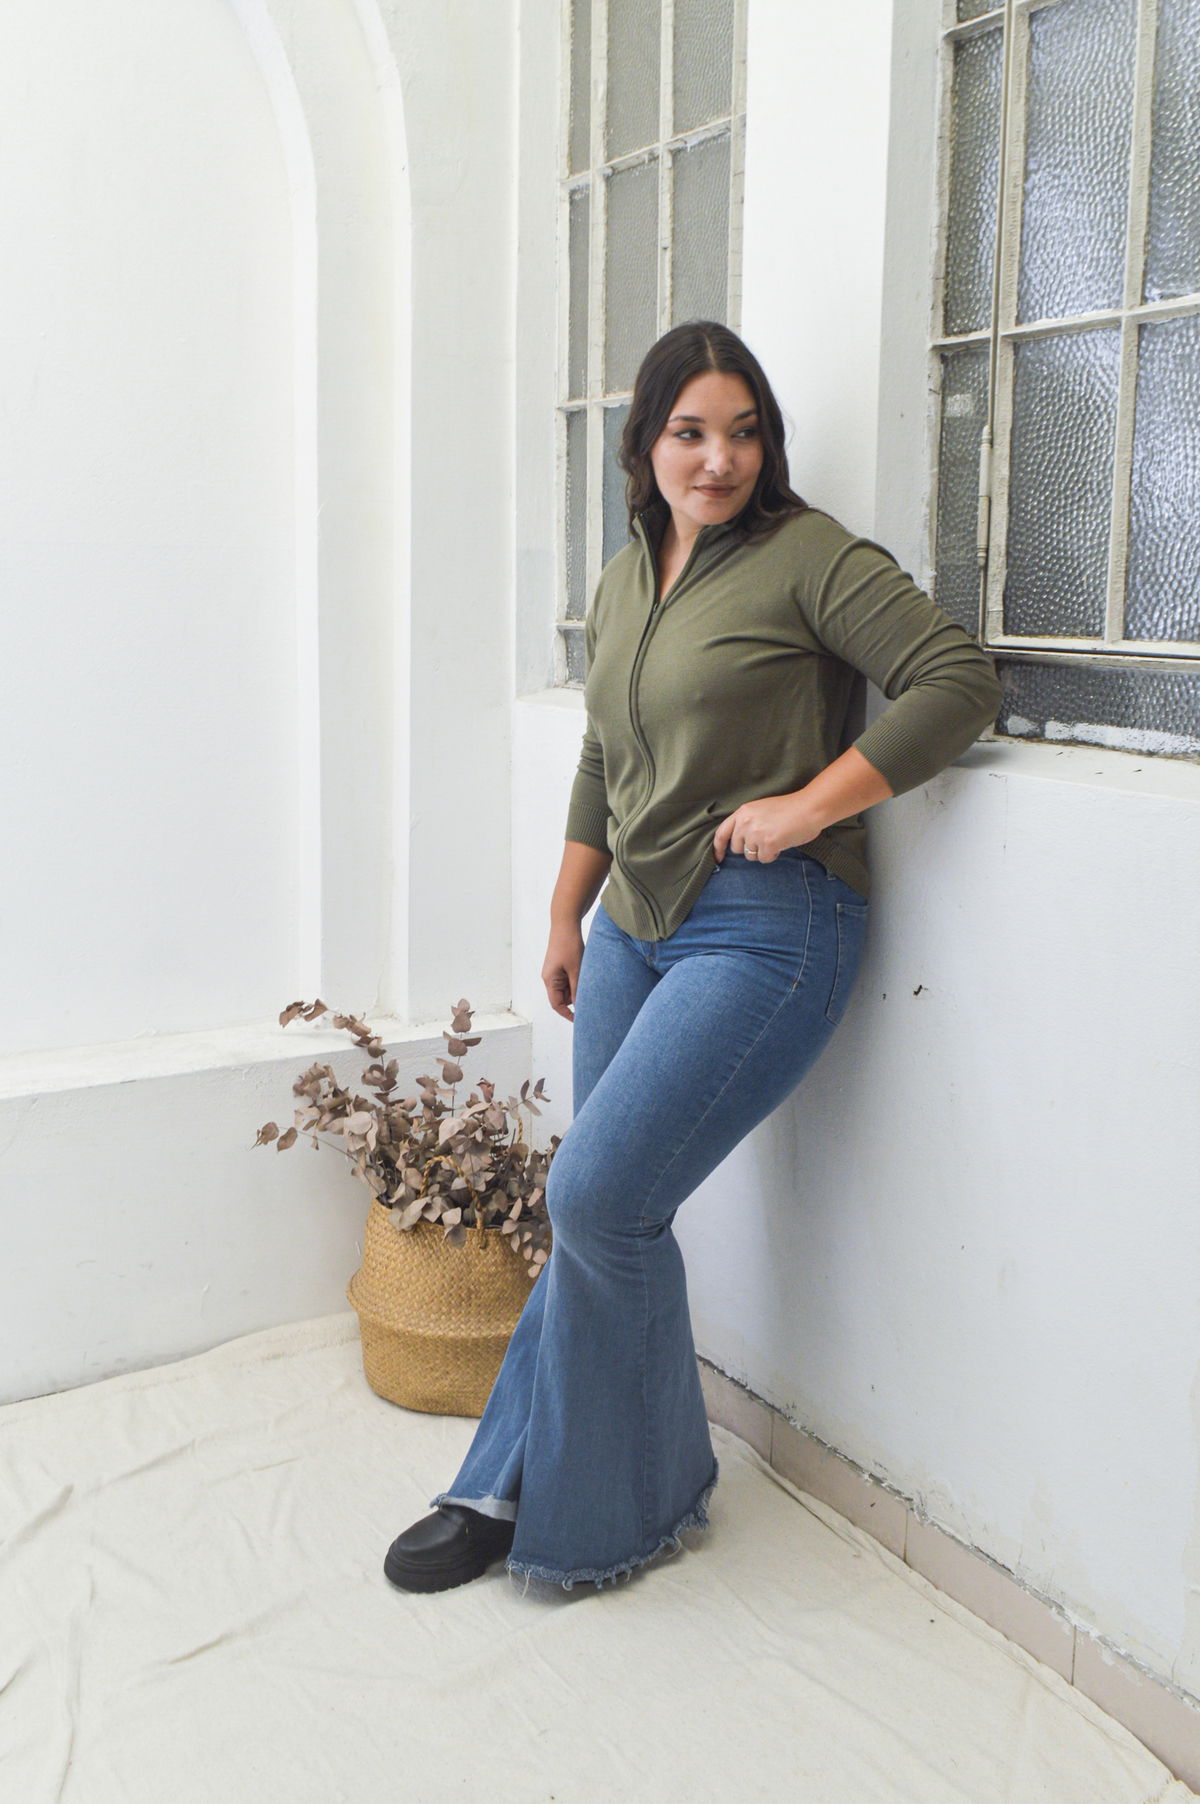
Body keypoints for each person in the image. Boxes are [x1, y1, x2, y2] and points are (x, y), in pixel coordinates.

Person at [383, 321, 1002, 1597]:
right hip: (633, 926)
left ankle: (603, 1503)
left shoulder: (808, 557)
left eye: (744, 431)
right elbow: (605, 755)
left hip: (769, 927)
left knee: (597, 1199)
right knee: (600, 1212)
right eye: (691, 432)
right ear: (646, 443)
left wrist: (812, 806)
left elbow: (954, 681)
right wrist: (567, 912)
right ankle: (515, 1481)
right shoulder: (629, 575)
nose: (719, 459)